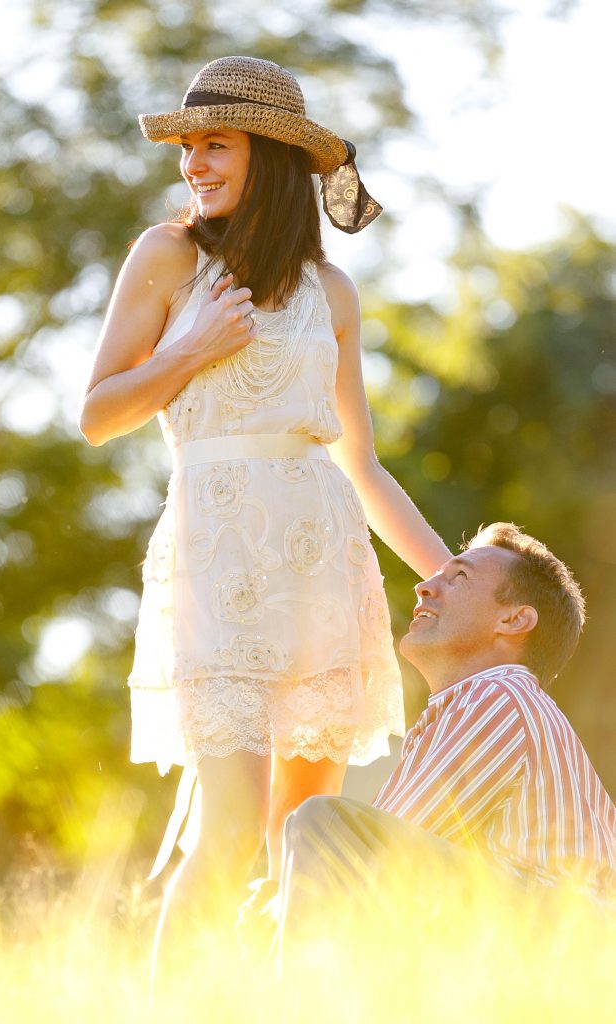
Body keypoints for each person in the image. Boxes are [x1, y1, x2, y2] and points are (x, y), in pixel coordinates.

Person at [79, 55, 450, 965]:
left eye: (216, 144)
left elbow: (361, 463)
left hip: (323, 567)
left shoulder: (333, 292)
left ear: (272, 156)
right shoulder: (166, 257)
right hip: (218, 565)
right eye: (188, 147)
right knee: (232, 828)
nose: (193, 164)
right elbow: (97, 415)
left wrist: (454, 578)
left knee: (304, 838)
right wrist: (190, 350)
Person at [276, 522, 616, 961]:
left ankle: (292, 995)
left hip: (568, 944)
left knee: (325, 826)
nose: (425, 587)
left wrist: (282, 901)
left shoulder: (499, 696)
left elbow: (379, 854)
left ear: (514, 620)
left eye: (459, 577)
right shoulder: (482, 705)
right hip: (545, 931)